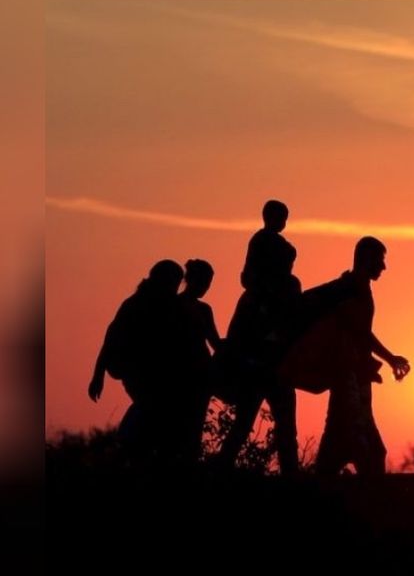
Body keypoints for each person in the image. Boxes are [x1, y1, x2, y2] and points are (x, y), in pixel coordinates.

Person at [312, 237, 411, 475]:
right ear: (366, 259)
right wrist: (391, 359)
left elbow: (361, 333)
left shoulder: (357, 287)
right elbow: (360, 332)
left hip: (354, 377)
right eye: (380, 260)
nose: (383, 267)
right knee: (370, 451)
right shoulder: (352, 288)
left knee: (336, 450)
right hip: (348, 379)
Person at [216, 200, 302, 473]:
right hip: (256, 364)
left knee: (285, 425)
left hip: (278, 365)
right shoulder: (255, 298)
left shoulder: (289, 287)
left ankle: (291, 475)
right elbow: (243, 334)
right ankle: (221, 470)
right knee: (245, 422)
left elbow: (295, 324)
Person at [88, 260, 186, 468]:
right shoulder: (135, 304)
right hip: (134, 369)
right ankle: (125, 446)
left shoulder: (169, 305)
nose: (175, 287)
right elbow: (110, 339)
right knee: (150, 406)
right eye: (173, 282)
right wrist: (98, 375)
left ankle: (136, 453)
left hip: (155, 372)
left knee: (155, 412)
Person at [173, 259, 221, 466]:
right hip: (178, 374)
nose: (205, 287)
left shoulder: (205, 309)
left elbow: (215, 342)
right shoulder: (172, 305)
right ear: (190, 280)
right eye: (203, 282)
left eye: (208, 283)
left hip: (202, 374)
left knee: (194, 428)